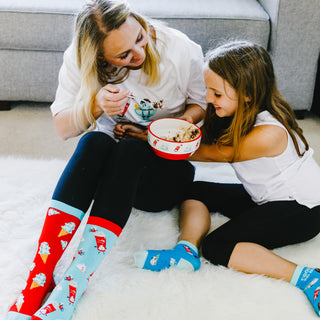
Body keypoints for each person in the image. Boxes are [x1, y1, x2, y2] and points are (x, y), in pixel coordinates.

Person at [6, 1, 206, 320]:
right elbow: (62, 128)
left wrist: (161, 130)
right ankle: (39, 278)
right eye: (124, 55)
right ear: (101, 58)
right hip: (110, 174)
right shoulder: (79, 58)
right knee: (95, 140)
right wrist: (96, 104)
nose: (139, 54)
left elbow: (201, 105)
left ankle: (74, 282)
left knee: (130, 149)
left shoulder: (181, 49)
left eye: (140, 38)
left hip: (162, 174)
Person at [134, 40, 320, 316]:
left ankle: (308, 277)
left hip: (303, 210)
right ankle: (184, 252)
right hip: (264, 197)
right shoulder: (239, 111)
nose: (208, 99)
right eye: (208, 90)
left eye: (217, 94)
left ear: (247, 94)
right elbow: (201, 135)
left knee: (217, 247)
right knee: (195, 190)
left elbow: (213, 154)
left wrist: (151, 140)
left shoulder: (270, 134)